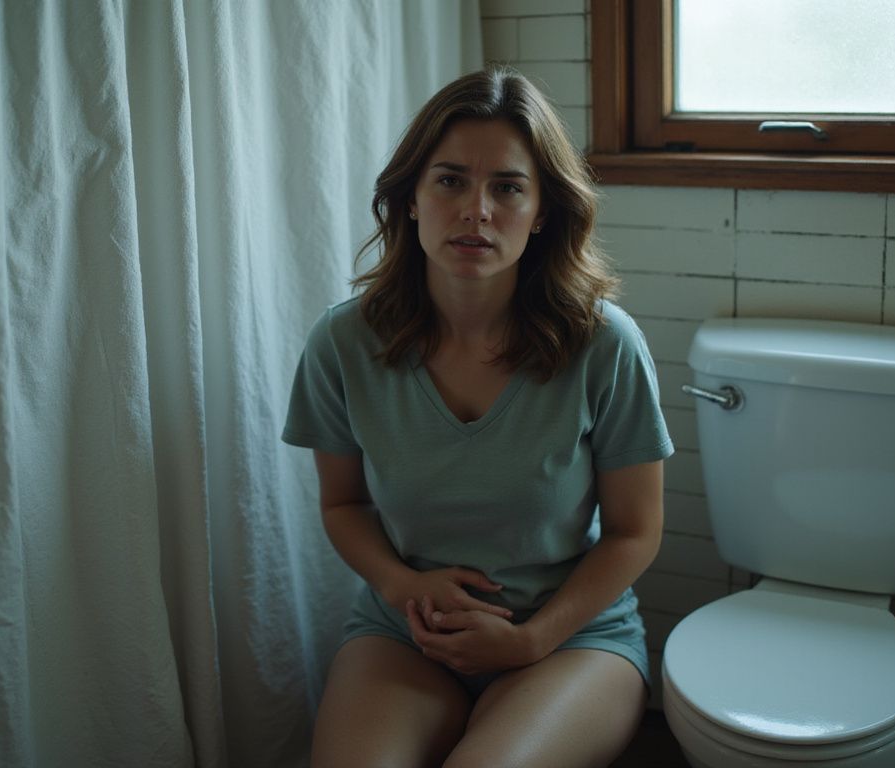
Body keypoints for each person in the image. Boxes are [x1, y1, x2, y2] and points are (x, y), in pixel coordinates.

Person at [282, 66, 674, 768]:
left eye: (508, 188)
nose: (476, 212)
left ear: (543, 209)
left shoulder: (606, 345)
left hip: (567, 640)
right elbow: (343, 503)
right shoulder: (343, 343)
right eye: (451, 181)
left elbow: (635, 531)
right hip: (406, 631)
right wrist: (403, 586)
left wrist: (531, 639)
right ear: (409, 198)